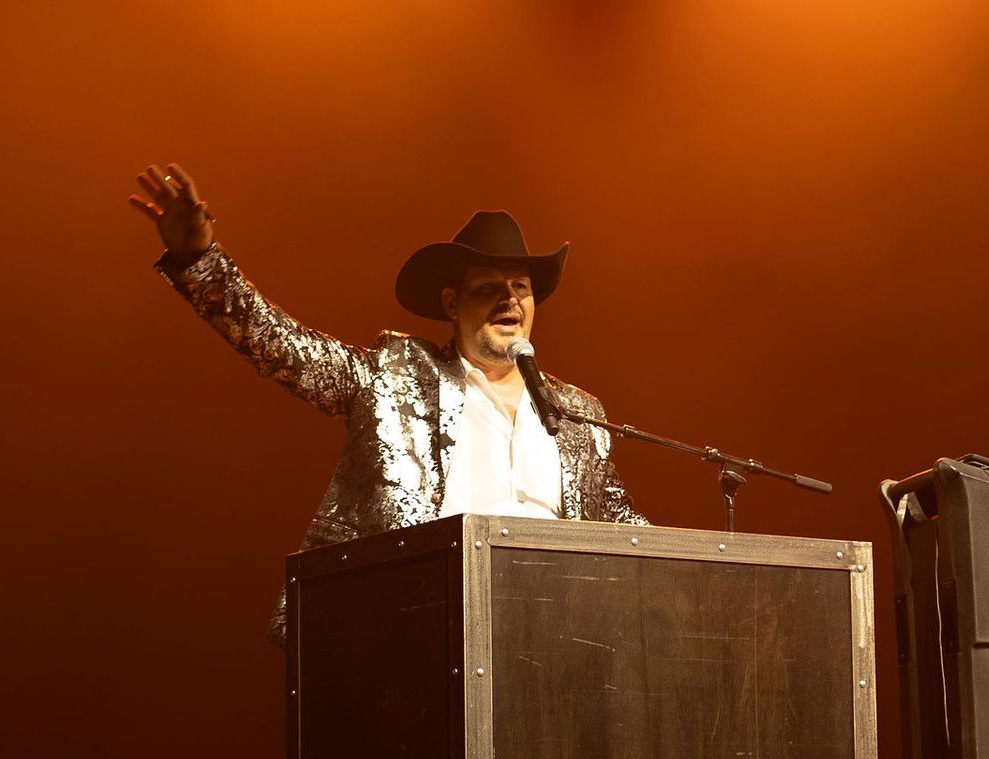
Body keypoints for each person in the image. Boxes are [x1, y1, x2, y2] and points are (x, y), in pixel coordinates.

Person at [128, 163, 648, 640]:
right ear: (451, 303)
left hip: (557, 635)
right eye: (490, 287)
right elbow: (284, 348)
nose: (509, 299)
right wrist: (199, 260)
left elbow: (626, 531)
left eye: (520, 287)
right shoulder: (393, 378)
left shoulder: (578, 414)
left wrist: (718, 570)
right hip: (420, 629)